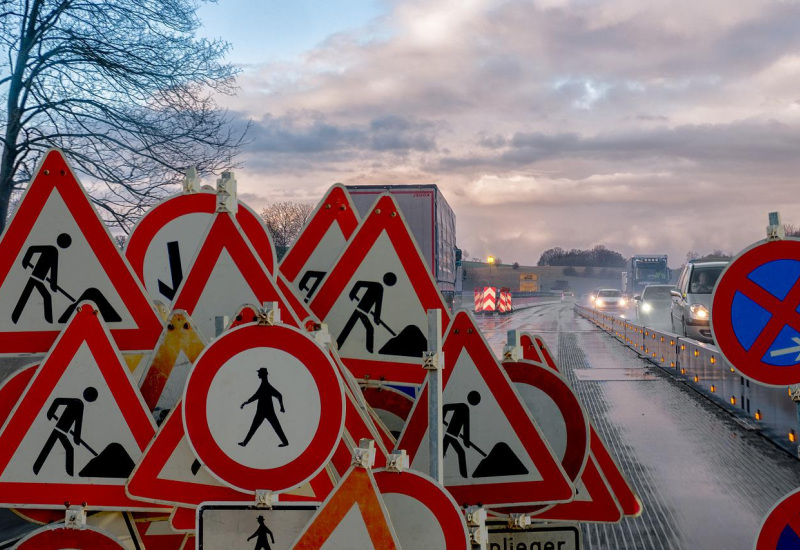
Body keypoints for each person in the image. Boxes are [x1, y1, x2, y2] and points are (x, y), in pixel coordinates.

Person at [33, 387, 98, 476]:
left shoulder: (79, 404)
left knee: (52, 447)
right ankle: (69, 475)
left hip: (62, 431)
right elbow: (58, 401)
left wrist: (76, 438)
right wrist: (50, 413)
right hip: (59, 430)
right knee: (65, 449)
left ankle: (36, 468)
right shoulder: (77, 403)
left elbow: (78, 423)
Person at [12, 233, 72, 324]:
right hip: (35, 277)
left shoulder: (54, 251)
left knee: (27, 295)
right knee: (45, 296)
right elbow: (32, 249)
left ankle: (14, 317)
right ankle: (49, 322)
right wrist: (26, 261)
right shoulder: (51, 249)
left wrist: (53, 284)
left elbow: (53, 270)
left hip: (39, 279)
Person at [336, 272, 397, 353]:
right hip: (361, 310)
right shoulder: (378, 287)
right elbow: (359, 283)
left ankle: (338, 344)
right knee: (368, 329)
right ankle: (369, 351)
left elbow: (378, 305)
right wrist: (352, 294)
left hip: (361, 311)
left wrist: (376, 318)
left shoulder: (379, 287)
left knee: (350, 327)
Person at [239, 368, 288, 447]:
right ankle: (244, 442)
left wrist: (282, 406)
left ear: (262, 375)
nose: (258, 374)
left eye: (259, 373)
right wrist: (281, 406)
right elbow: (256, 396)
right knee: (275, 427)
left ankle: (245, 443)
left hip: (263, 411)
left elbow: (279, 395)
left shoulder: (265, 386)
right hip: (267, 411)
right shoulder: (265, 385)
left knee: (254, 427)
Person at [442, 391, 482, 478]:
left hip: (452, 436)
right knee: (460, 453)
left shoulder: (465, 409)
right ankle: (464, 477)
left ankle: (464, 476)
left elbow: (466, 427)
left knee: (456, 453)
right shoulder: (463, 406)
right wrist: (441, 417)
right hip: (449, 435)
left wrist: (466, 441)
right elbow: (445, 407)